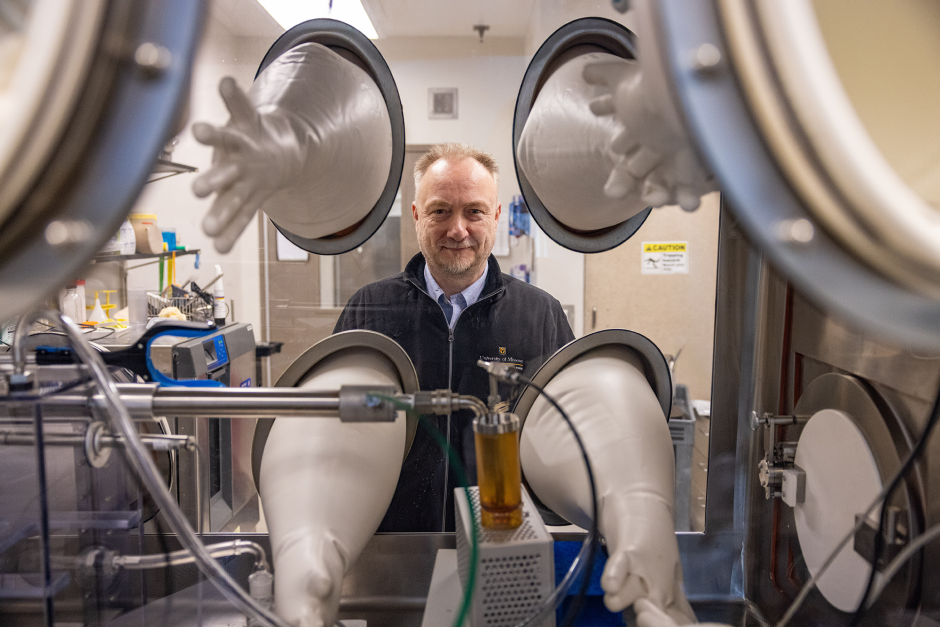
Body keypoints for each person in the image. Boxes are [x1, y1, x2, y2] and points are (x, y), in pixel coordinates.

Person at [334, 143, 574, 532]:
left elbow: (564, 437)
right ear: (416, 216)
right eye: (440, 211)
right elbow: (337, 430)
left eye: (474, 211)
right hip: (389, 537)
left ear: (496, 217)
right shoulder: (370, 308)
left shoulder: (541, 315)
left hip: (501, 535)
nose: (457, 229)